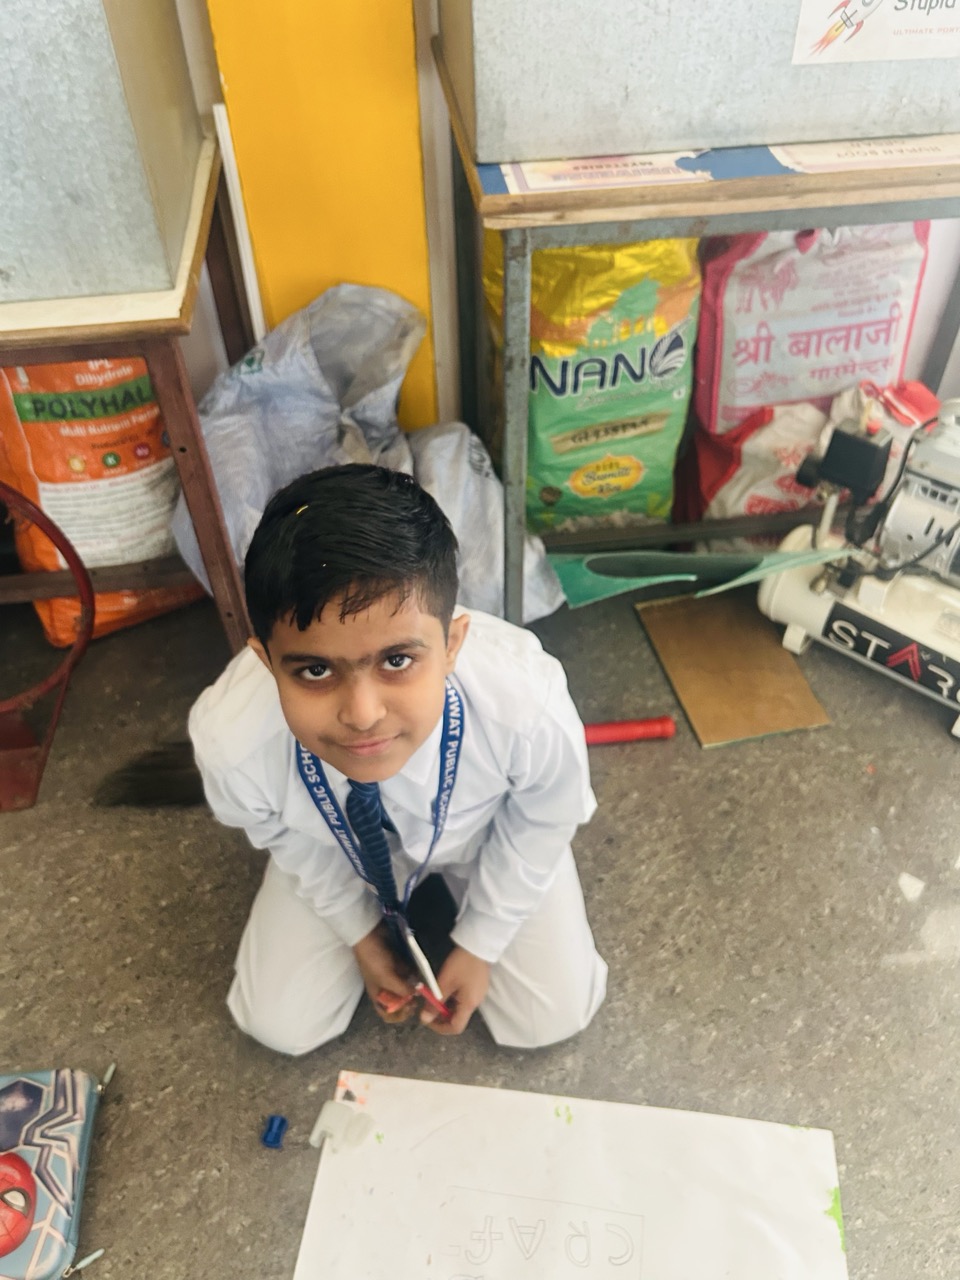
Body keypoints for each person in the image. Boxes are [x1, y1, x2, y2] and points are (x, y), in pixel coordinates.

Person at [188, 463, 607, 1054]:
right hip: (337, 849)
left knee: (549, 1020)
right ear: (265, 662)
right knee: (280, 1026)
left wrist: (482, 942)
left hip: (484, 837)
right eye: (315, 670)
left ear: (452, 645)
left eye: (397, 661)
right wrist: (359, 934)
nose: (362, 715)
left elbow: (545, 815)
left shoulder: (526, 704)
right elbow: (285, 835)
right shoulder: (230, 741)